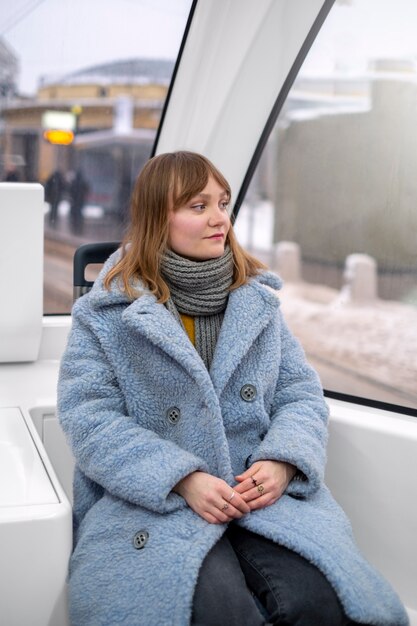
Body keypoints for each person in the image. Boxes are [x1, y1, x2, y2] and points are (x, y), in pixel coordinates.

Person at [57, 151, 408, 626]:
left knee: (325, 603)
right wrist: (181, 478)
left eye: (222, 203)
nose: (220, 218)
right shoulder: (108, 313)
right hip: (156, 500)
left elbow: (300, 394)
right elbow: (88, 418)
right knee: (215, 612)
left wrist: (283, 460)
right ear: (158, 217)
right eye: (198, 206)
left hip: (260, 495)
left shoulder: (256, 301)